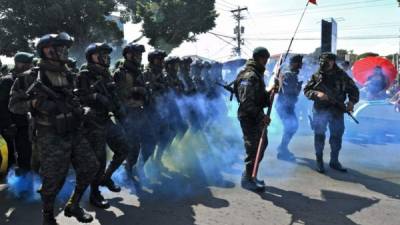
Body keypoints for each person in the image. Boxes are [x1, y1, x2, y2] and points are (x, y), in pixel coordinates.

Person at [9, 32, 99, 225]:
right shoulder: (28, 78)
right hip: (49, 135)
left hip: (73, 131)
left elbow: (74, 99)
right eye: (61, 48)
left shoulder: (68, 74)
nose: (65, 51)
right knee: (53, 181)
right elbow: (14, 105)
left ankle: (73, 205)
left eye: (65, 48)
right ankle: (48, 216)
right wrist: (34, 104)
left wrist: (81, 110)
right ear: (47, 51)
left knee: (91, 167)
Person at [77, 42, 127, 209]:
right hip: (92, 123)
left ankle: (106, 178)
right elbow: (79, 98)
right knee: (99, 161)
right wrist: (96, 97)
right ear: (92, 57)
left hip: (107, 119)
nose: (106, 58)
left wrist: (120, 113)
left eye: (107, 55)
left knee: (123, 149)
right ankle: (94, 194)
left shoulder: (107, 75)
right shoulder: (84, 75)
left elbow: (114, 96)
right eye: (102, 55)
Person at [304, 52, 359, 173]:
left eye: (328, 61)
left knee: (336, 135)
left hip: (337, 110)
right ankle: (319, 161)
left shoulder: (342, 75)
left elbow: (354, 90)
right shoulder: (316, 76)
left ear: (333, 62)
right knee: (319, 135)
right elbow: (307, 90)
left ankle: (334, 161)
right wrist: (317, 94)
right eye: (323, 61)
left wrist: (351, 102)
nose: (325, 63)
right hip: (320, 109)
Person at [113, 43, 156, 180]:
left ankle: (138, 167)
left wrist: (146, 92)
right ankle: (129, 170)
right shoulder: (121, 73)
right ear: (128, 55)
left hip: (140, 111)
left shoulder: (139, 72)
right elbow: (119, 95)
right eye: (137, 54)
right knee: (134, 145)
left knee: (151, 140)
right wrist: (138, 90)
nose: (140, 57)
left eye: (141, 55)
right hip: (128, 113)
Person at [234, 47, 272, 191]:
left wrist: (269, 96)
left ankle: (250, 175)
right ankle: (247, 179)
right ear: (258, 58)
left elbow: (259, 98)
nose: (266, 62)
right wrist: (261, 116)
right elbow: (246, 102)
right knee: (253, 147)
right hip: (248, 116)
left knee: (262, 144)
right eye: (264, 59)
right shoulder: (249, 75)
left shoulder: (257, 74)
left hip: (255, 115)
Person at [0, 52, 34, 176]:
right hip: (11, 124)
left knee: (25, 153)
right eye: (28, 63)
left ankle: (23, 179)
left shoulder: (26, 79)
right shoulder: (8, 80)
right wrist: (8, 124)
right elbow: (2, 105)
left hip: (24, 123)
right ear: (19, 64)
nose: (30, 66)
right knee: (9, 155)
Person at [275, 55, 303, 161]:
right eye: (299, 63)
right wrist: (298, 88)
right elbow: (287, 92)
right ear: (294, 63)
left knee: (291, 127)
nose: (301, 65)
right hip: (284, 106)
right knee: (291, 127)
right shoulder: (289, 74)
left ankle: (282, 148)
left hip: (286, 106)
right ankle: (282, 150)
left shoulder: (291, 74)